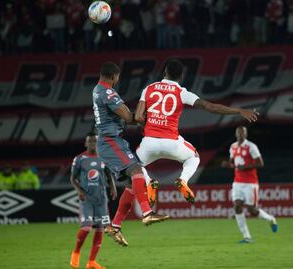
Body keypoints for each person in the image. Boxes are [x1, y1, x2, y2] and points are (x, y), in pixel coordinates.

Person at [105, 59, 259, 246]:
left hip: (149, 143)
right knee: (193, 157)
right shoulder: (182, 92)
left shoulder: (150, 88)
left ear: (164, 72)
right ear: (181, 76)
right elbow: (211, 107)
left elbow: (137, 117)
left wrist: (150, 121)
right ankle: (183, 180)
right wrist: (238, 111)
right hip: (172, 143)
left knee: (134, 175)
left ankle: (147, 185)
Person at [92, 62, 169, 234]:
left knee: (132, 184)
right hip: (110, 141)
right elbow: (128, 117)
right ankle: (147, 213)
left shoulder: (98, 90)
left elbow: (126, 117)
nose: (118, 80)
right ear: (113, 76)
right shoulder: (107, 92)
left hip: (111, 141)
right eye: (118, 77)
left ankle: (115, 226)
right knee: (136, 170)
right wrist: (147, 117)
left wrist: (141, 118)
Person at [221, 126, 277, 243]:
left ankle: (271, 219)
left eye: (243, 132)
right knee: (237, 206)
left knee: (252, 210)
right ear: (236, 134)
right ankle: (247, 237)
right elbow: (233, 163)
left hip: (250, 183)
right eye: (239, 132)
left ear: (246, 134)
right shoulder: (233, 147)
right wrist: (227, 164)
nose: (241, 134)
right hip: (237, 182)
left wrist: (245, 167)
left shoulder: (251, 146)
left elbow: (260, 163)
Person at [70, 133, 117, 269]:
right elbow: (73, 178)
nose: (92, 144)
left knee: (100, 229)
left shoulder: (103, 158)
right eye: (89, 141)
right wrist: (79, 191)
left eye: (94, 141)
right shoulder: (79, 159)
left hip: (101, 199)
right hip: (87, 199)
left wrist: (113, 188)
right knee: (86, 228)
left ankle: (91, 262)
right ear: (86, 144)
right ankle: (76, 252)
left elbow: (109, 175)